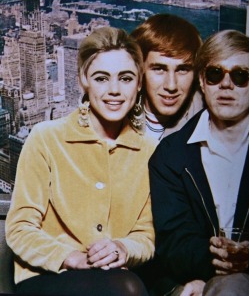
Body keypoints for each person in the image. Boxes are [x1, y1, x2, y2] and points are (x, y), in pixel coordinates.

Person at [6, 27, 156, 296]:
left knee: (126, 286)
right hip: (48, 277)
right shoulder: (46, 139)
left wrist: (124, 248)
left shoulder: (149, 151)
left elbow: (146, 236)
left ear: (139, 83)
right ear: (83, 80)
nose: (114, 90)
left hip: (117, 279)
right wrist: (70, 257)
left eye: (125, 78)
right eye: (101, 78)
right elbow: (20, 228)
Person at [149, 29, 249, 296]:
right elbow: (173, 242)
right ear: (202, 83)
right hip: (213, 282)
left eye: (240, 76)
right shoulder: (170, 156)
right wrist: (218, 259)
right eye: (215, 74)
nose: (226, 85)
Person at [131, 13, 203, 141]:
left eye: (182, 70)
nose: (171, 85)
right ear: (140, 69)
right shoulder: (117, 115)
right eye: (159, 69)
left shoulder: (207, 121)